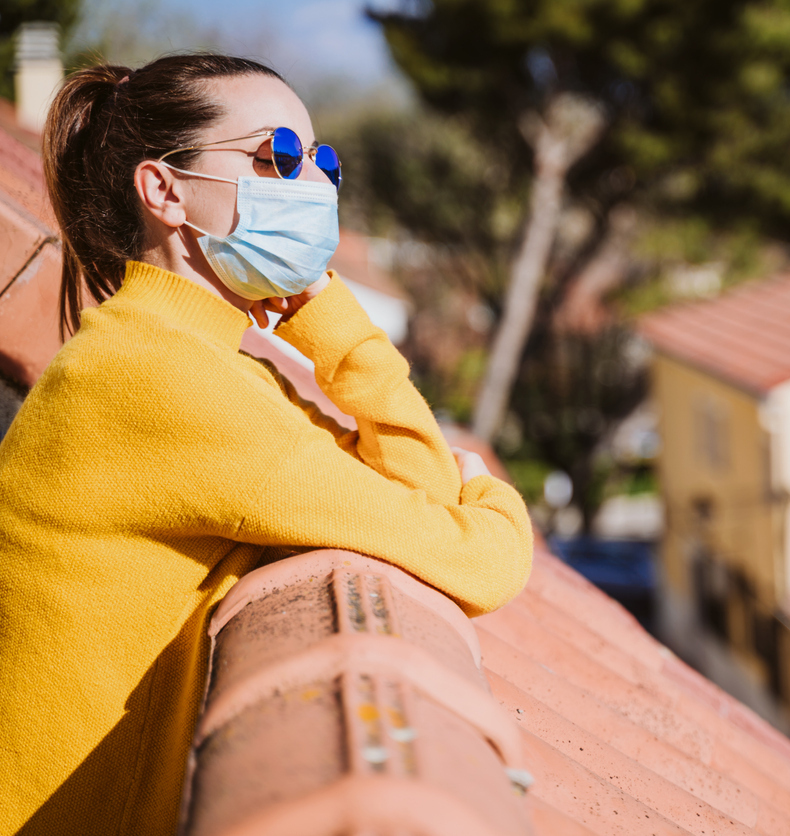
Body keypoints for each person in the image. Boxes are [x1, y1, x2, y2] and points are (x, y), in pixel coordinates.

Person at [0, 54, 533, 835]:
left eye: (323, 161)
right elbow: (480, 557)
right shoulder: (161, 381)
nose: (313, 184)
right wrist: (490, 494)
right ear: (165, 191)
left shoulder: (193, 355)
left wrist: (320, 307)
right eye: (277, 156)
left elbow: (412, 486)